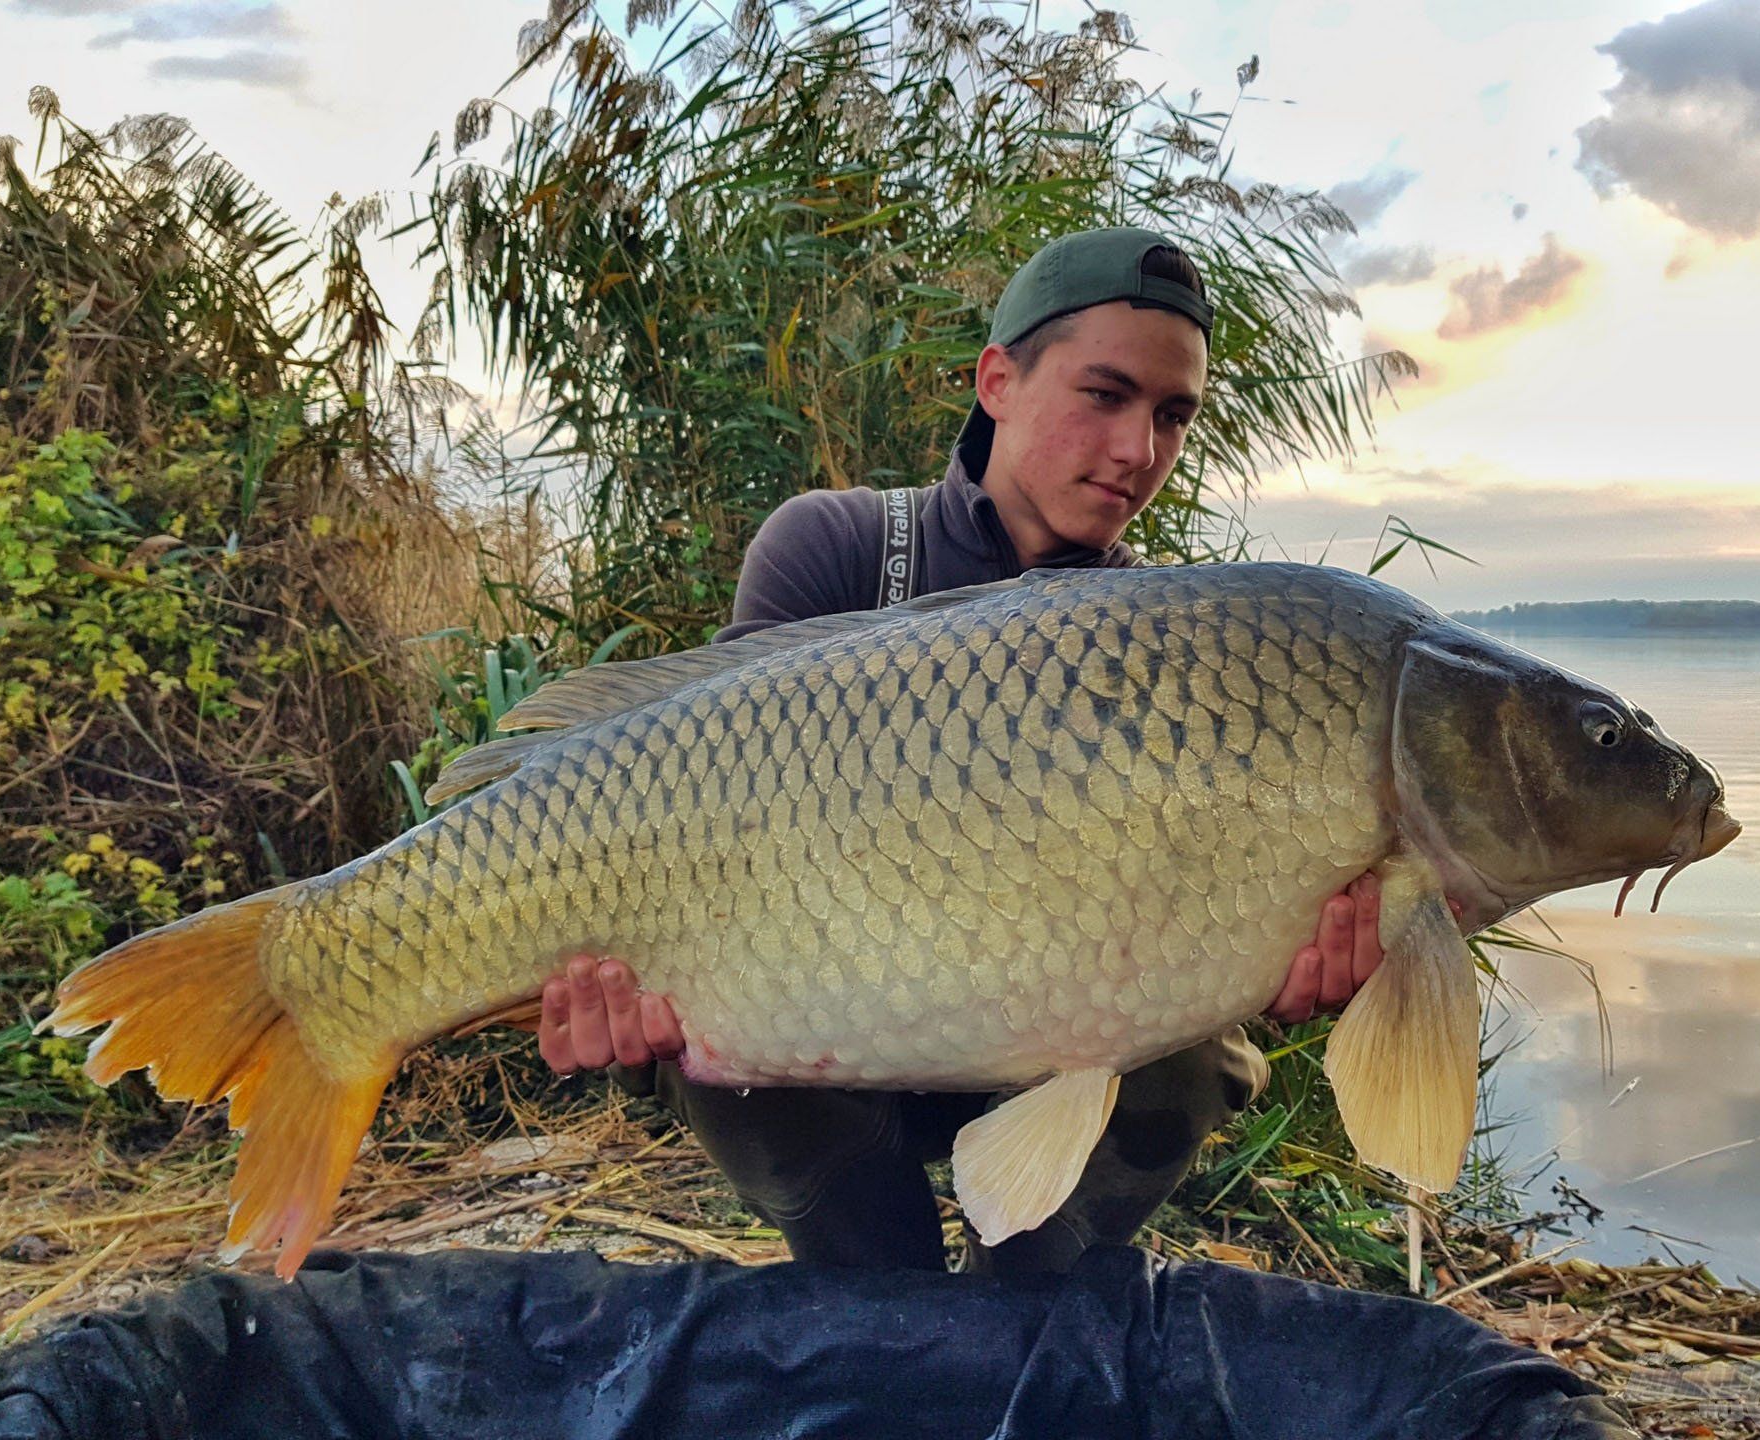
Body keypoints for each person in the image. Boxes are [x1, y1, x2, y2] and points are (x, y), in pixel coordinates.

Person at [530, 228, 1385, 1274]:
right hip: (836, 1045)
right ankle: (874, 1285)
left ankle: (1022, 1297)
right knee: (718, 1039)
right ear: (997, 380)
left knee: (1191, 1056)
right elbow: (700, 811)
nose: (1138, 452)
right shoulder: (834, 547)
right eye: (1105, 395)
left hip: (1047, 1051)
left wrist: (1274, 946)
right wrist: (615, 995)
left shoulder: (1171, 648)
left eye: (1172, 416)